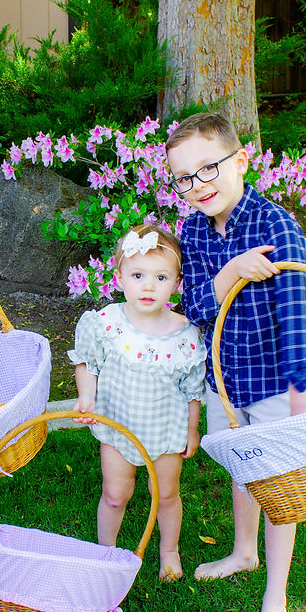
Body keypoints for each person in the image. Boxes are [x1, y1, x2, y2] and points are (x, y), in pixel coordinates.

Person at [166, 112, 306, 612]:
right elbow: (195, 307)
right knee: (242, 469)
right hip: (224, 382)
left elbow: (297, 309)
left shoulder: (275, 225)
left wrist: (300, 395)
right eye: (185, 177)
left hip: (275, 382)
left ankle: (275, 599)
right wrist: (230, 273)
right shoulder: (193, 231)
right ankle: (243, 553)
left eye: (209, 168)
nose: (198, 185)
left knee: (277, 488)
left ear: (241, 161)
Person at [68, 224, 207, 582]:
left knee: (166, 494)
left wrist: (192, 429)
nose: (148, 286)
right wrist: (87, 397)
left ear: (176, 282)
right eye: (138, 275)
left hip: (165, 429)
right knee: (116, 494)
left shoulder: (185, 334)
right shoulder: (107, 324)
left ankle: (169, 550)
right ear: (119, 278)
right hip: (118, 424)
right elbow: (87, 360)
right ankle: (107, 551)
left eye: (161, 277)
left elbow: (192, 388)